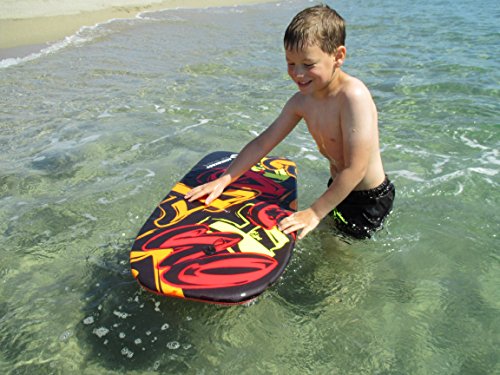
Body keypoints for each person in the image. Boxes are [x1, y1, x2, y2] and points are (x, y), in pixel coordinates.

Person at [185, 5, 395, 240]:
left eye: (308, 64)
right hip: (338, 187)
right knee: (326, 239)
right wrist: (226, 178)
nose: (298, 73)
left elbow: (356, 168)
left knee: (341, 259)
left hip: (368, 198)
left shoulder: (352, 96)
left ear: (338, 56)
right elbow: (263, 142)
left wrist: (314, 212)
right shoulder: (302, 102)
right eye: (290, 63)